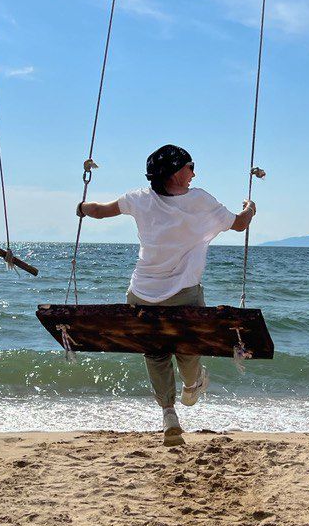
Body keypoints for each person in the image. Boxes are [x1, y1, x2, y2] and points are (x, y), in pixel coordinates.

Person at [77, 144, 255, 441]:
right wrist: (251, 209)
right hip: (183, 294)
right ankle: (192, 384)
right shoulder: (200, 200)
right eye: (189, 167)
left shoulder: (139, 198)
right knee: (187, 347)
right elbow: (239, 225)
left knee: (156, 352)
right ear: (174, 173)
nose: (194, 173)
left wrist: (81, 208)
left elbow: (98, 211)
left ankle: (168, 413)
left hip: (141, 294)